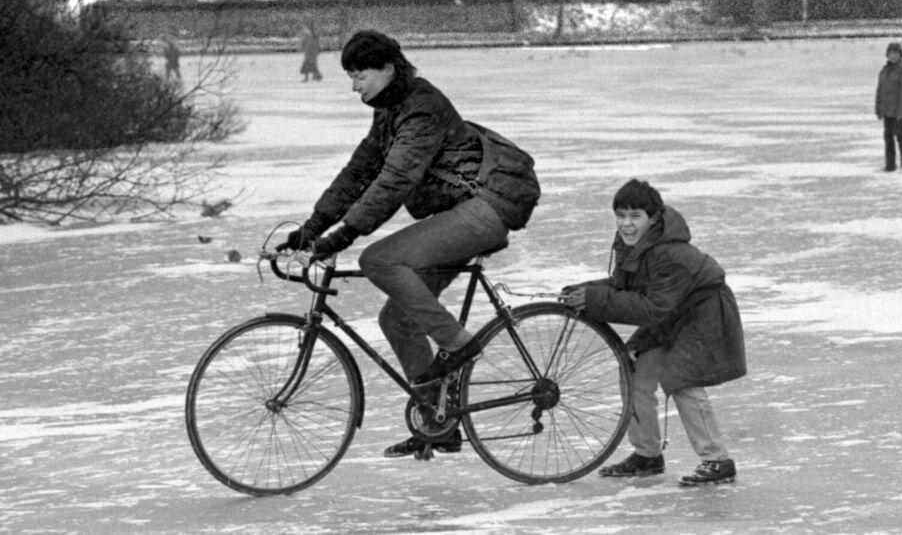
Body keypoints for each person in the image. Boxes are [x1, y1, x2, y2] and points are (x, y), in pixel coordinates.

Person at [277, 29, 540, 458]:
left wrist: (343, 235)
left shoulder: (421, 109)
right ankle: (438, 422)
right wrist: (313, 227)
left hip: (485, 209)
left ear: (387, 68)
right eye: (350, 76)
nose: (354, 85)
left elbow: (395, 180)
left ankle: (458, 344)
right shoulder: (390, 110)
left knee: (378, 259)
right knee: (397, 320)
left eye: (360, 75)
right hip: (461, 212)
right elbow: (359, 172)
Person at [563, 179, 745, 486]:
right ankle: (647, 455)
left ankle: (718, 461)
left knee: (682, 378)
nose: (626, 224)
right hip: (669, 312)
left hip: (702, 312)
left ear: (654, 217)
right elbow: (625, 287)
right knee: (635, 371)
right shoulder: (632, 244)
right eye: (621, 215)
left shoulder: (669, 253)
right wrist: (587, 290)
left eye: (635, 216)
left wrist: (593, 300)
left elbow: (652, 309)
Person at [874, 41, 902, 171]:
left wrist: (901, 113)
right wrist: (878, 108)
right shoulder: (884, 71)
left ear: (900, 55)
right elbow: (880, 91)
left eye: (896, 53)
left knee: (901, 137)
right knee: (888, 138)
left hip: (898, 112)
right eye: (891, 53)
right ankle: (890, 164)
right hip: (887, 111)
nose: (893, 56)